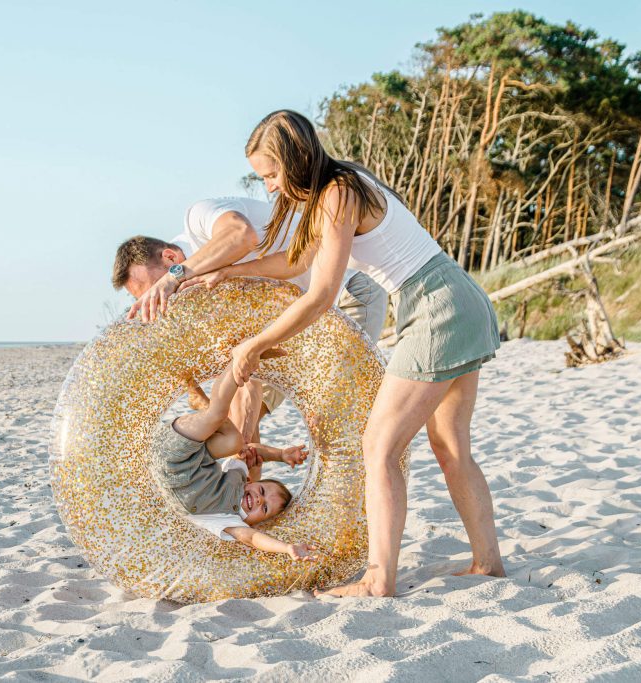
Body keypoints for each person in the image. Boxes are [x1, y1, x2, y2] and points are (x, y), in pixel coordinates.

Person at [183, 110, 504, 596]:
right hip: (455, 298)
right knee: (450, 446)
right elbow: (298, 262)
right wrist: (228, 273)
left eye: (272, 174)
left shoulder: (338, 192)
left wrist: (257, 342)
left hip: (436, 308)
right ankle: (488, 564)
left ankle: (378, 577)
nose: (268, 188)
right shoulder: (338, 189)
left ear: (295, 159)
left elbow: (321, 295)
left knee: (379, 447)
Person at [111, 197, 388, 477]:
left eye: (157, 290)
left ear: (171, 258)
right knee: (239, 413)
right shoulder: (203, 301)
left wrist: (172, 278)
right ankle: (248, 500)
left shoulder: (199, 220)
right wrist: (242, 445)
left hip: (345, 300)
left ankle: (354, 507)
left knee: (329, 423)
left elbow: (242, 235)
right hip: (295, 329)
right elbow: (246, 375)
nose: (164, 299)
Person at [152, 354, 317, 561]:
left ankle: (229, 375)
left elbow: (252, 538)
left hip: (170, 460)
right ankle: (238, 364)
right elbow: (253, 451)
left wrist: (286, 548)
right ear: (252, 482)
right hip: (185, 448)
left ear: (256, 522)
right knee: (236, 443)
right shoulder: (239, 477)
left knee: (221, 421)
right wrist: (281, 455)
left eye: (264, 507)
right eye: (262, 490)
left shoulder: (229, 520)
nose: (258, 498)